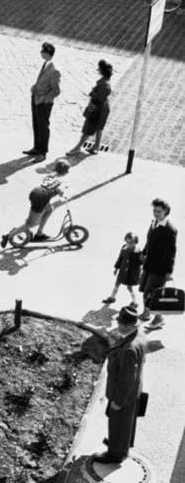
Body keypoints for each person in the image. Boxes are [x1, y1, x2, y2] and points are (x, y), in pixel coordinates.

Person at [92, 305, 147, 464]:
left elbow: (127, 379)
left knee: (118, 422)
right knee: (125, 423)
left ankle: (115, 454)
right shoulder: (138, 335)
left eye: (121, 324)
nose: (118, 326)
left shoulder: (129, 349)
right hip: (133, 390)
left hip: (123, 394)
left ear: (129, 326)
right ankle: (120, 444)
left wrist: (119, 401)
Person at [0, 158, 70, 248]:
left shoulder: (51, 175)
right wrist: (62, 193)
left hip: (37, 192)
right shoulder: (60, 181)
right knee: (31, 224)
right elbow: (59, 191)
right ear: (66, 172)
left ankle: (39, 234)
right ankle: (8, 236)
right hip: (41, 198)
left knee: (49, 209)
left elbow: (49, 186)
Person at [139, 198, 177, 331]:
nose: (156, 213)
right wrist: (143, 253)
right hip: (149, 264)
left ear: (166, 212)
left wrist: (168, 272)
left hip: (159, 269)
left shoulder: (170, 230)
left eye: (159, 211)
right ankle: (147, 313)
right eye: (154, 211)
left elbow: (171, 253)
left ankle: (159, 319)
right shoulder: (154, 222)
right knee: (145, 291)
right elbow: (149, 241)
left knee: (152, 294)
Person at [24, 42, 60, 162]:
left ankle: (43, 152)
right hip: (36, 98)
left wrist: (45, 99)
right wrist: (35, 86)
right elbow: (42, 80)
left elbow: (56, 90)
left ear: (47, 53)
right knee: (36, 124)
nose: (40, 53)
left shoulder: (54, 70)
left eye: (42, 51)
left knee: (43, 127)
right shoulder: (46, 64)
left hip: (43, 103)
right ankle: (37, 147)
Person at [67, 60, 113, 156]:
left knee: (88, 128)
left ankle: (78, 147)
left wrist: (92, 93)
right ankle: (96, 146)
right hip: (101, 109)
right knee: (99, 127)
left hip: (97, 109)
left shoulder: (104, 85)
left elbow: (98, 97)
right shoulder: (104, 82)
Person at [103, 233, 142, 307]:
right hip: (123, 271)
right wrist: (116, 268)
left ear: (135, 242)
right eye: (127, 242)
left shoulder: (138, 252)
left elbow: (141, 264)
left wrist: (139, 275)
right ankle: (112, 297)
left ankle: (135, 302)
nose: (129, 244)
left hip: (131, 273)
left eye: (131, 243)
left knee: (129, 287)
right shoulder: (124, 247)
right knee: (117, 283)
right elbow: (120, 258)